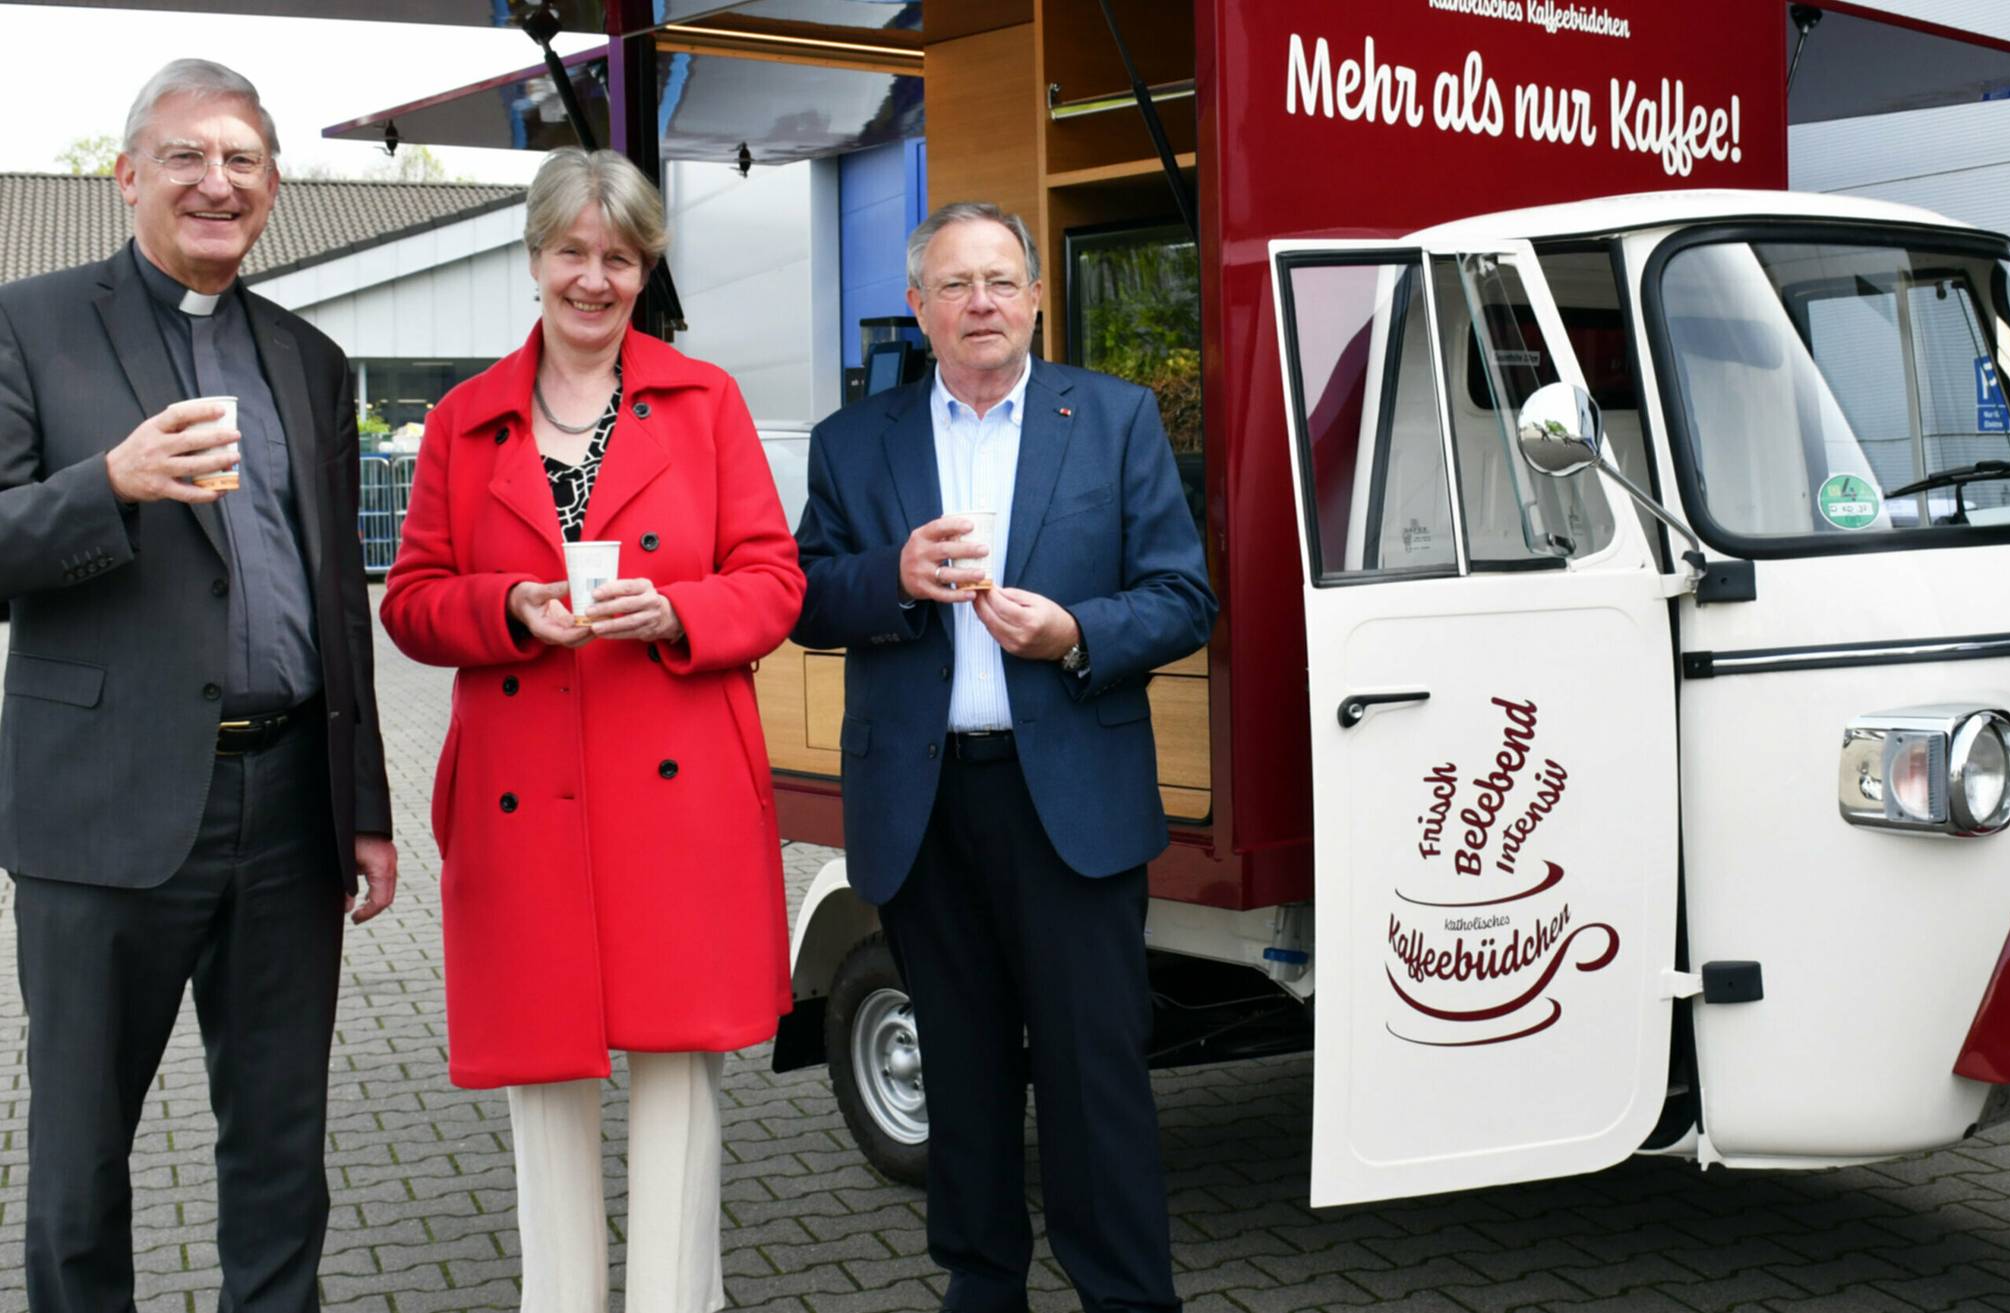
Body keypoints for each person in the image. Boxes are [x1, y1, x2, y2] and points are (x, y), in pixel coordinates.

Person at [0, 58, 398, 1312]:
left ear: (273, 187)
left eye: (242, 159)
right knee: (79, 1159)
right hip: (101, 807)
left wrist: (365, 803)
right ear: (127, 176)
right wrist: (104, 484)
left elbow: (342, 604)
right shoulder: (30, 322)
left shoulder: (311, 357)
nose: (214, 182)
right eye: (185, 155)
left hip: (288, 804)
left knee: (281, 1149)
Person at [379, 146, 804, 1313]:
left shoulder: (703, 400)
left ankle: (678, 1300)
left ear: (645, 266)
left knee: (678, 1070)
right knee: (544, 1073)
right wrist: (505, 606)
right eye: (571, 251)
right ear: (533, 260)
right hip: (525, 782)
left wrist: (679, 608)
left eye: (618, 256)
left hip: (677, 781)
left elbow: (775, 579)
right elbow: (410, 600)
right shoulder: (463, 421)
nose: (593, 278)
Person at [793, 201, 1216, 1313]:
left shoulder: (1115, 419)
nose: (980, 301)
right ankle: (981, 1286)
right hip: (924, 805)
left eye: (1000, 279)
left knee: (1096, 1077)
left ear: (1034, 297)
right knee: (965, 1074)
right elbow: (801, 597)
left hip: (1069, 800)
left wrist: (1075, 632)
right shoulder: (855, 443)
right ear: (921, 309)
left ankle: (1127, 1295)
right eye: (954, 283)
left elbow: (1183, 594)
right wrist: (892, 573)